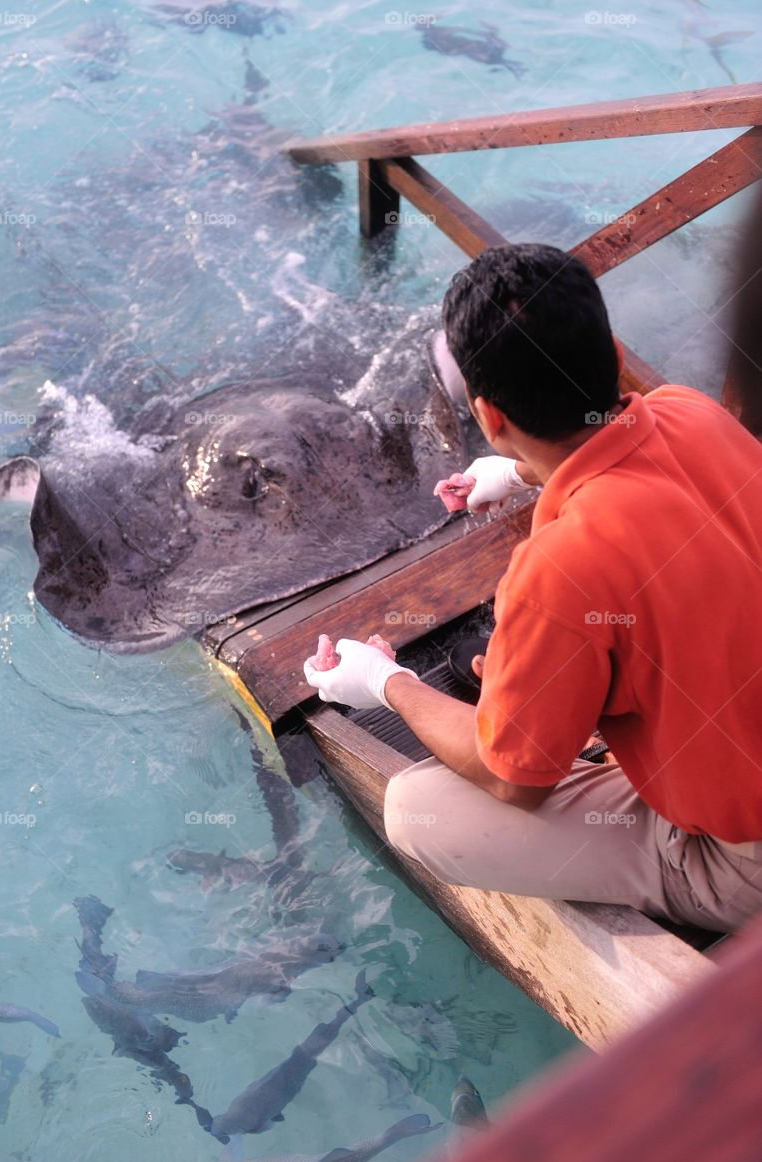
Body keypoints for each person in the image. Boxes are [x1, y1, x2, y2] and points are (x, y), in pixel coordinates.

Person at [305, 243, 762, 935]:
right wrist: (519, 474)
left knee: (419, 810)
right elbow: (645, 477)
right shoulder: (691, 411)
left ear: (488, 415)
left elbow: (512, 781)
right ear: (608, 352)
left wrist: (384, 681)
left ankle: (681, 869)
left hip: (744, 858)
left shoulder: (560, 567)